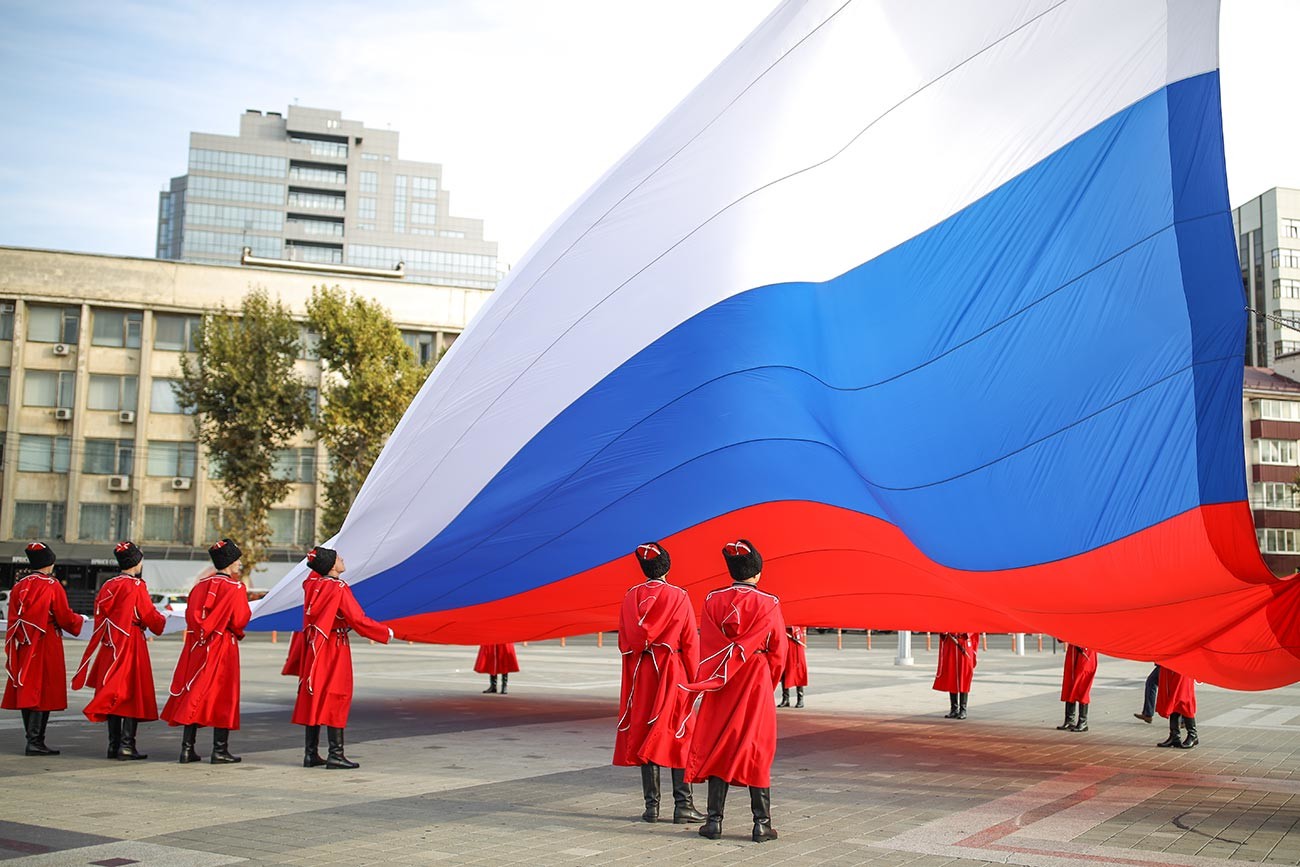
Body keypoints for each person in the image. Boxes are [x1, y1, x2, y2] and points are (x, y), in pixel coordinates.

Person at [684, 539, 786, 844]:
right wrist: (768, 683)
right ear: (756, 573)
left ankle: (714, 822)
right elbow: (779, 652)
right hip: (755, 678)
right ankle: (761, 824)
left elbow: (708, 645)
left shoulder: (713, 599)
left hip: (722, 681)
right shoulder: (769, 603)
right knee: (757, 747)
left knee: (719, 746)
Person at [612, 542, 704, 824]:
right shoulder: (678, 596)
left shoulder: (630, 597)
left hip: (642, 674)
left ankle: (651, 807)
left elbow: (624, 640)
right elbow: (689, 641)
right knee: (679, 733)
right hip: (671, 671)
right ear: (667, 566)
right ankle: (682, 805)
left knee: (644, 730)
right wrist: (694, 681)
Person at [284, 546, 392, 769]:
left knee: (313, 694)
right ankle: (336, 753)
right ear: (332, 566)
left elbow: (312, 574)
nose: (342, 559)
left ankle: (310, 753)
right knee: (337, 694)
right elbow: (357, 619)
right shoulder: (338, 587)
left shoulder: (311, 585)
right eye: (338, 558)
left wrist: (317, 560)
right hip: (335, 645)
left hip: (315, 645)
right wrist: (384, 632)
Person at [72, 541, 167, 760]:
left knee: (112, 692)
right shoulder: (136, 586)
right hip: (131, 642)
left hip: (110, 645)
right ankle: (127, 745)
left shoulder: (108, 584)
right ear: (137, 562)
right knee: (130, 692)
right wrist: (161, 623)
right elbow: (149, 615)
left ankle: (113, 745)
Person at [161, 539, 252, 764]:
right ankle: (219, 750)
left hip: (198, 646)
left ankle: (187, 748)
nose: (240, 564)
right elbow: (240, 620)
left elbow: (193, 617)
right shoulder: (236, 587)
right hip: (223, 645)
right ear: (230, 562)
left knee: (194, 691)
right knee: (224, 696)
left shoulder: (199, 587)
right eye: (237, 560)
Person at [2, 542, 85, 755]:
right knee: (45, 689)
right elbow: (64, 616)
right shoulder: (51, 585)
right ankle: (36, 740)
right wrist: (79, 620)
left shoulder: (20, 585)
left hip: (25, 642)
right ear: (50, 563)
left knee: (27, 687)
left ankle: (31, 738)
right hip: (46, 641)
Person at [933, 632, 979, 719]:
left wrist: (965, 632)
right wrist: (944, 632)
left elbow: (975, 628)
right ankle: (954, 709)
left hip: (963, 644)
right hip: (951, 645)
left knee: (964, 678)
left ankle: (963, 709)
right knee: (952, 676)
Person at [1057, 643, 1097, 732]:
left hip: (1086, 650)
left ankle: (1083, 722)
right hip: (1073, 649)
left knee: (1082, 684)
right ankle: (1070, 719)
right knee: (1069, 683)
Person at [1156, 666, 1198, 749]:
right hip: (1169, 664)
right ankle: (1175, 735)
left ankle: (1192, 734)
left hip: (1184, 664)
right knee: (1172, 697)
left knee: (1183, 697)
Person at [777, 626, 808, 709]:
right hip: (786, 645)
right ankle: (785, 698)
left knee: (798, 672)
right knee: (785, 672)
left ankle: (800, 698)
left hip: (796, 646)